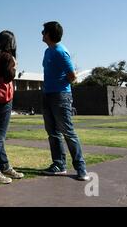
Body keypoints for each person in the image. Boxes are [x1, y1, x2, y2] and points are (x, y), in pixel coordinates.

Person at [41, 21, 90, 181]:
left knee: (67, 132)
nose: (41, 34)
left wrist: (59, 86)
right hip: (48, 95)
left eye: (43, 31)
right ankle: (59, 165)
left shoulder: (61, 52)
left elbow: (73, 76)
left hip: (61, 96)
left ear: (48, 34)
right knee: (53, 133)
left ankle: (81, 169)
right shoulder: (48, 51)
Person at [0, 30, 24, 184]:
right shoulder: (7, 57)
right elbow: (9, 76)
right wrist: (14, 64)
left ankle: (5, 165)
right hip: (3, 99)